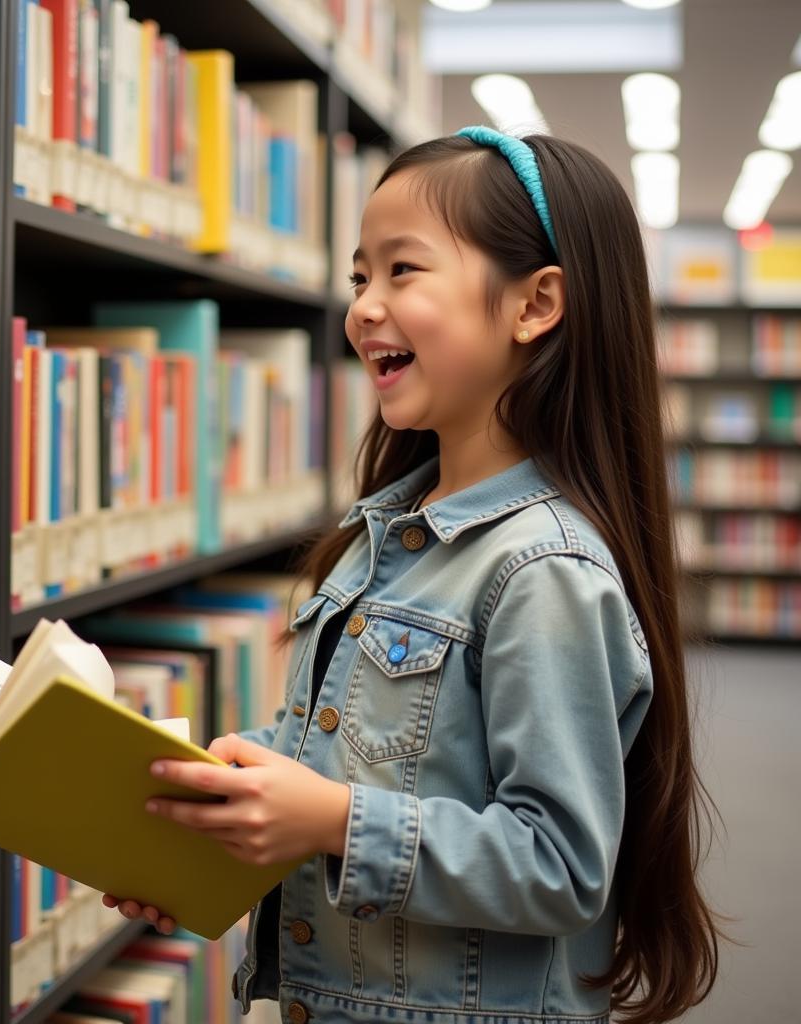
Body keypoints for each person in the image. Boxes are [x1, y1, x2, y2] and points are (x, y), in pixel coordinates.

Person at [103, 127, 723, 1024]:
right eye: (360, 276)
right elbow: (345, 754)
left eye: (404, 271)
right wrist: (221, 817)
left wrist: (328, 821)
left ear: (534, 303)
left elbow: (560, 866)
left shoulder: (544, 572)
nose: (363, 307)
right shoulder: (380, 534)